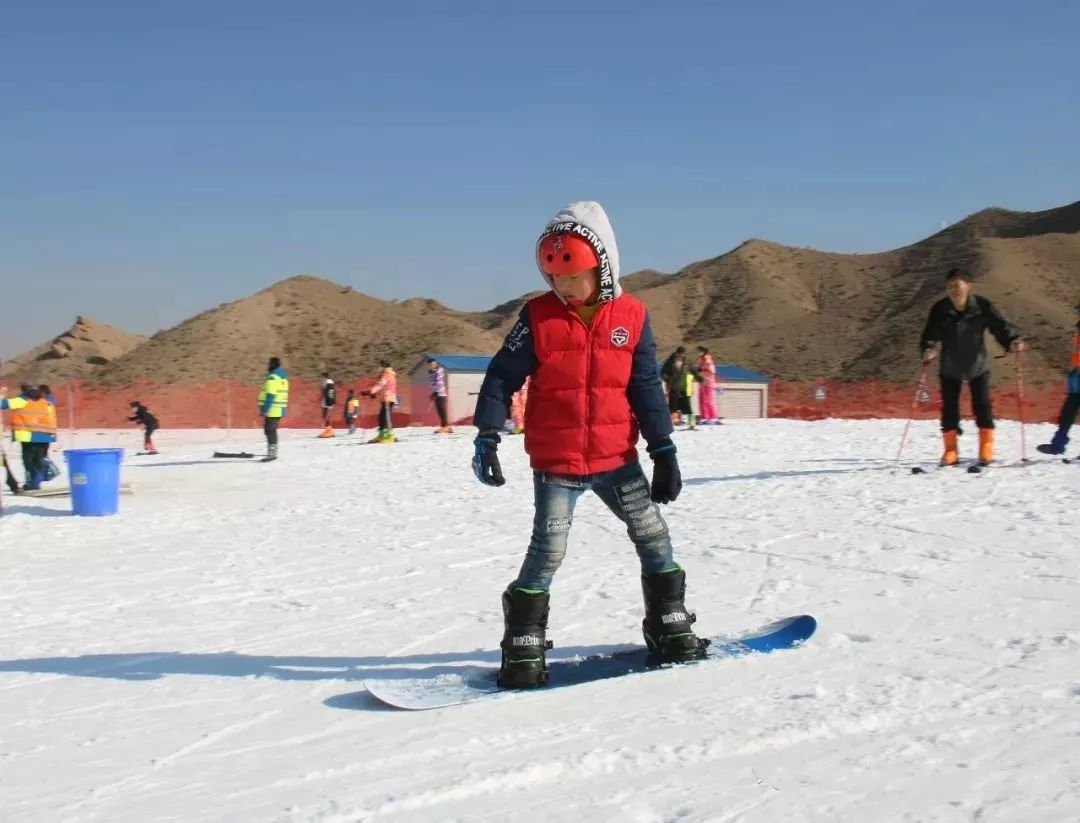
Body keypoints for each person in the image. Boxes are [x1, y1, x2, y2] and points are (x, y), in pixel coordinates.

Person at [472, 200, 703, 690]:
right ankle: (523, 642)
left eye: (573, 277)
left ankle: (667, 621)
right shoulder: (537, 317)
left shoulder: (634, 317)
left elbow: (644, 387)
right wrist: (487, 435)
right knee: (548, 550)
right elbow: (499, 376)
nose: (563, 288)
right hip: (557, 463)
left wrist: (664, 450)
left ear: (603, 268)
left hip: (618, 460)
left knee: (653, 537)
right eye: (555, 278)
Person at [920, 267, 1022, 466]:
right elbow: (929, 334)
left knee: (982, 405)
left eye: (956, 285)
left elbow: (999, 326)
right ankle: (950, 451)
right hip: (950, 365)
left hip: (977, 365)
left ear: (968, 286)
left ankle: (986, 448)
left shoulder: (982, 306)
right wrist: (929, 348)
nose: (953, 290)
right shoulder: (940, 309)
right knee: (949, 408)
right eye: (949, 286)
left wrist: (1012, 341)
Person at [1036, 301, 1080, 457]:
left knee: (1069, 410)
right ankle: (1058, 445)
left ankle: (1058, 444)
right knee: (1068, 411)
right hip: (1076, 374)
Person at [0, 383, 57, 491]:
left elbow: (3, 404)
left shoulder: (22, 400)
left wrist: (2, 394)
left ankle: (34, 482)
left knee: (28, 461)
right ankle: (40, 478)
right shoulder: (48, 401)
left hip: (28, 436)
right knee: (39, 459)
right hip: (45, 435)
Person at [258, 357, 289, 461]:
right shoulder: (283, 379)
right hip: (278, 409)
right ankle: (273, 452)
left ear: (272, 365)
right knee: (271, 431)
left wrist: (264, 409)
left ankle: (272, 453)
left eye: (269, 364)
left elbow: (271, 395)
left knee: (269, 431)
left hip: (272, 409)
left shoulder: (272, 378)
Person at [365, 362, 397, 443]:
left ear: (384, 367)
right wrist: (375, 393)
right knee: (381, 417)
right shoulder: (387, 374)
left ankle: (390, 435)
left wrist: (371, 391)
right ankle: (381, 435)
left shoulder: (387, 374)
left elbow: (381, 385)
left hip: (388, 398)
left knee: (386, 417)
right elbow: (384, 387)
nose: (378, 368)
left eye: (379, 366)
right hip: (385, 398)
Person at [660, 346, 687, 423]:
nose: (681, 356)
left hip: (682, 385)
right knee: (673, 402)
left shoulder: (685, 362)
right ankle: (673, 419)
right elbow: (663, 373)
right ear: (677, 354)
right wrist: (669, 379)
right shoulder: (670, 362)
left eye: (683, 355)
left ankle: (679, 418)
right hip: (672, 385)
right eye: (680, 355)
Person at [427, 357, 452, 433]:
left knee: (442, 409)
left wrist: (436, 392)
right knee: (439, 410)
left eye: (433, 364)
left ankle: (446, 426)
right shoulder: (431, 372)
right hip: (436, 393)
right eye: (430, 364)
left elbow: (439, 382)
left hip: (441, 393)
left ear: (436, 363)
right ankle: (444, 426)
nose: (432, 365)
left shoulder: (440, 370)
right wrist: (433, 393)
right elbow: (432, 383)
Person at [696, 347, 719, 424]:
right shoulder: (700, 360)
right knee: (702, 400)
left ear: (704, 352)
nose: (699, 353)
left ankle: (713, 417)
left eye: (700, 351)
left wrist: (703, 369)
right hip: (702, 382)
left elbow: (712, 371)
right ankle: (704, 417)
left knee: (708, 400)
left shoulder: (708, 359)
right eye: (699, 351)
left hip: (708, 382)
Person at [319, 373, 337, 438]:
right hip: (325, 403)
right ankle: (327, 430)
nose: (321, 379)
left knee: (326, 417)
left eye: (322, 377)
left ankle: (330, 432)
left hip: (328, 403)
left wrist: (330, 403)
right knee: (325, 416)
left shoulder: (329, 383)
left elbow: (331, 393)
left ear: (325, 377)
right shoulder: (325, 383)